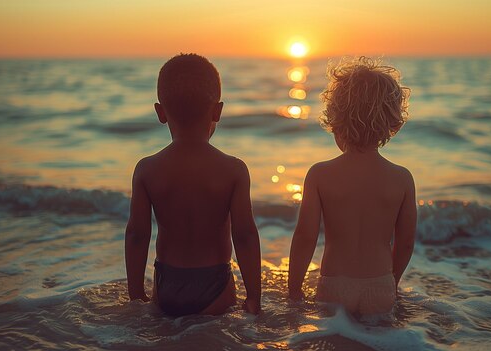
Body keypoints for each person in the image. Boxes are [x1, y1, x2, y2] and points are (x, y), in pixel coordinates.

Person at [125, 53, 261, 317]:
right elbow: (245, 235)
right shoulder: (233, 169)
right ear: (217, 111)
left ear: (160, 113)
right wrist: (254, 297)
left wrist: (136, 295)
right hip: (215, 284)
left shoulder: (147, 169)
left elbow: (136, 235)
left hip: (167, 283)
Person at [288, 56, 416, 316]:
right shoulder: (402, 178)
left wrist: (294, 290)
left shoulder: (320, 175)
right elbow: (405, 243)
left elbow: (305, 237)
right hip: (380, 286)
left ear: (335, 121)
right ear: (393, 125)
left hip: (334, 288)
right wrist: (393, 282)